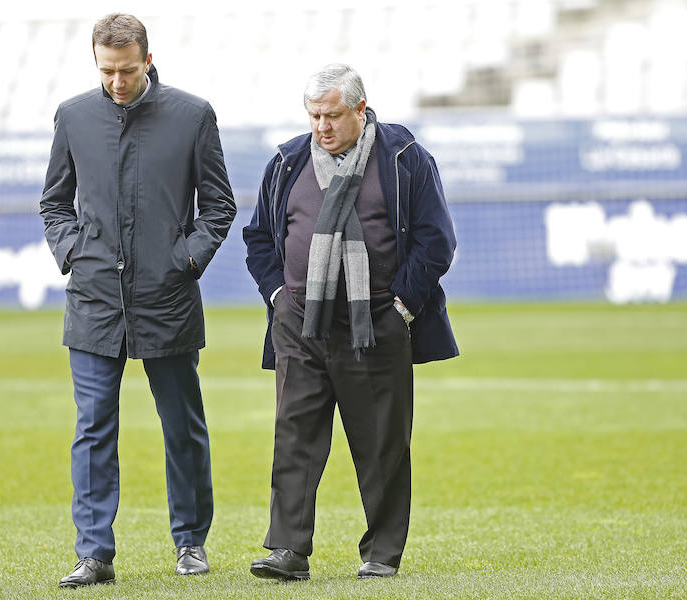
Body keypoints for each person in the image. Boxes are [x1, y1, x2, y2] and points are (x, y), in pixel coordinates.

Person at [39, 13, 236, 588]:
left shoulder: (193, 115)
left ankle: (191, 542)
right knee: (94, 427)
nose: (117, 82)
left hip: (167, 299)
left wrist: (185, 261)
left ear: (148, 60)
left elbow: (218, 207)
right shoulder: (73, 117)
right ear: (96, 61)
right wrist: (74, 252)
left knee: (182, 426)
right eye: (107, 71)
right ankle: (95, 554)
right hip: (94, 300)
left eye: (127, 70)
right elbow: (54, 203)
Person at [242, 63, 458, 581]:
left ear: (361, 109)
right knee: (294, 436)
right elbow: (259, 240)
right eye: (314, 115)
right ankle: (287, 551)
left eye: (333, 115)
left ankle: (381, 553)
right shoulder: (287, 160)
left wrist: (401, 307)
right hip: (299, 322)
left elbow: (436, 239)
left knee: (382, 442)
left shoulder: (404, 158)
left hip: (378, 321)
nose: (322, 126)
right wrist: (277, 297)